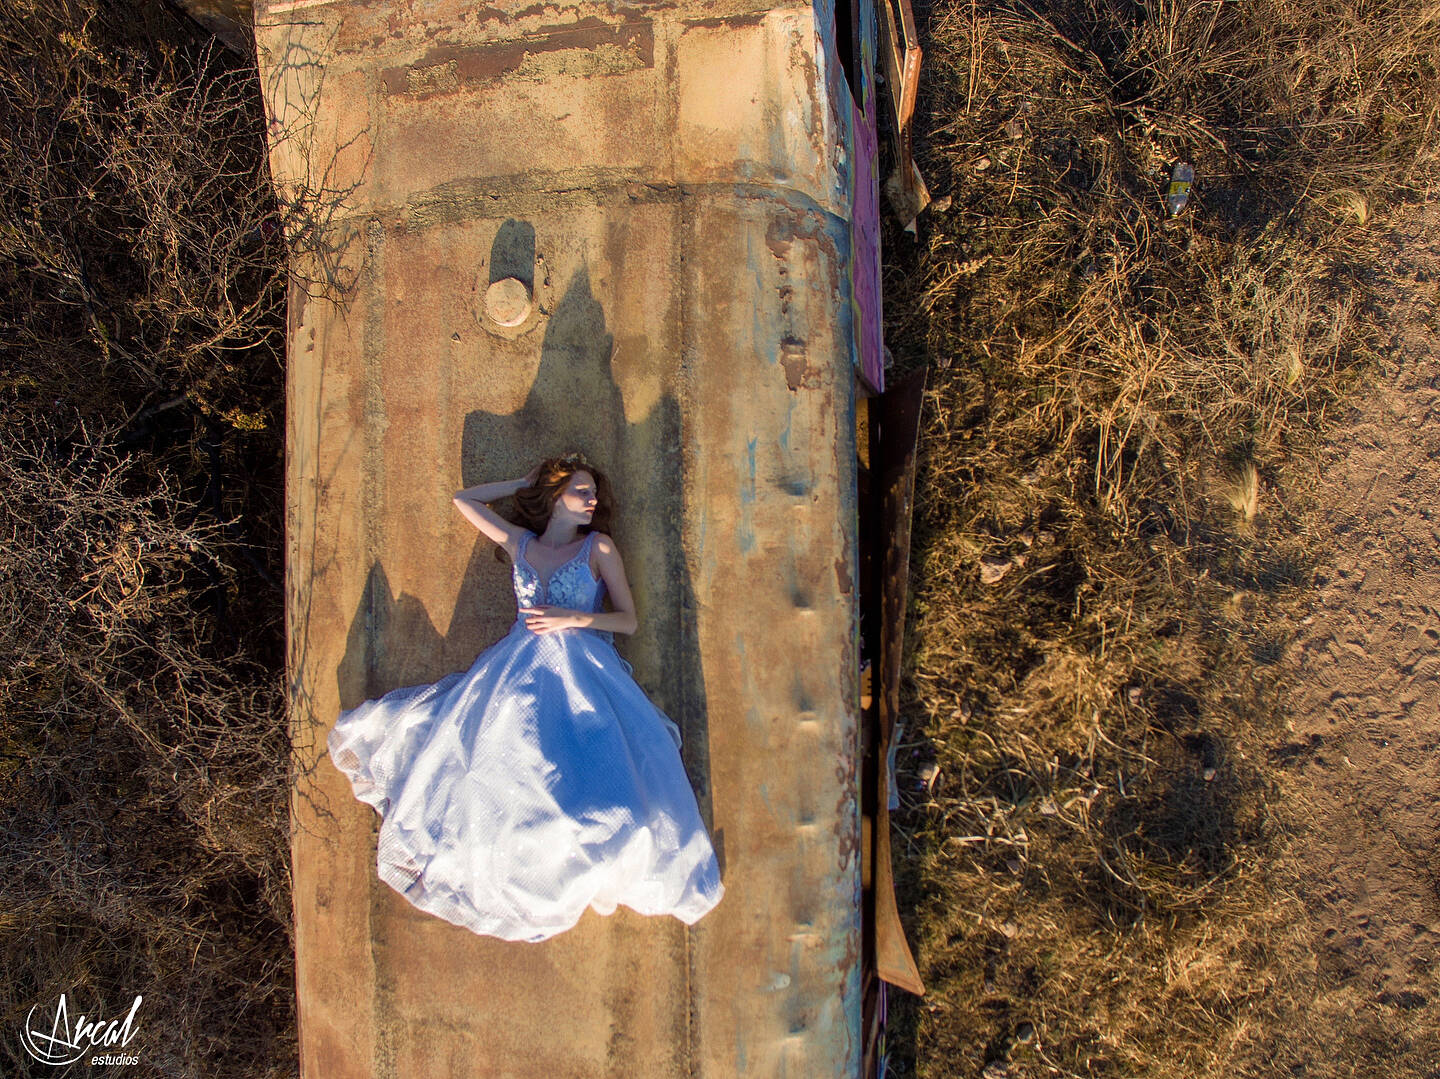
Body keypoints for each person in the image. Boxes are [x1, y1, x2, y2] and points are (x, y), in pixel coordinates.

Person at [326, 453, 724, 942]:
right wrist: (522, 481)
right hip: (517, 670)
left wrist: (572, 618)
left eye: (594, 492)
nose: (593, 499)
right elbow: (462, 500)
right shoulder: (522, 544)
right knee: (507, 770)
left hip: (585, 674)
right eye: (582, 490)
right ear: (556, 496)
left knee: (597, 782)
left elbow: (628, 620)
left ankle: (606, 861)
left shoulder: (598, 547)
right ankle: (526, 866)